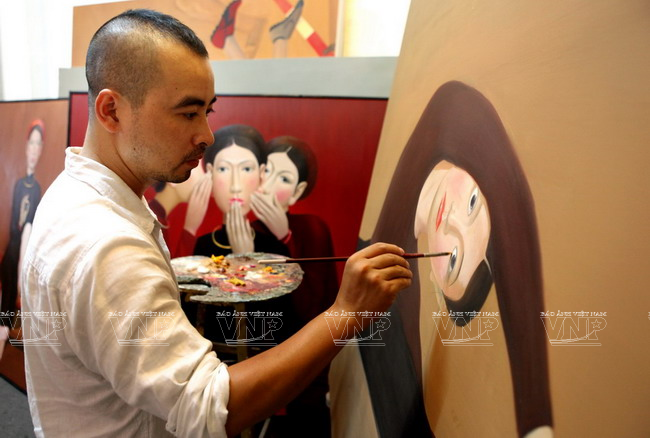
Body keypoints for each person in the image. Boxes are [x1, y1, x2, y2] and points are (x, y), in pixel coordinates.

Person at [20, 9, 412, 438]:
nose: (207, 135)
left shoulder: (75, 191)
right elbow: (209, 408)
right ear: (112, 111)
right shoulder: (108, 245)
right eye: (188, 113)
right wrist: (347, 313)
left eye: (207, 111)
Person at [335, 81, 552, 437]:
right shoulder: (451, 119)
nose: (452, 222)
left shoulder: (387, 299)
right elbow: (458, 107)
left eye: (453, 259)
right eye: (472, 205)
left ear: (436, 282)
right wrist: (536, 420)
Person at [251, 135, 339, 436]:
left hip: (308, 372)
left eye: (284, 178)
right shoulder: (243, 234)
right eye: (267, 171)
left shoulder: (312, 229)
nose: (269, 184)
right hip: (254, 369)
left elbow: (314, 307)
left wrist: (286, 239)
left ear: (297, 191)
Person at [1, 119, 44, 319]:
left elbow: (28, 227)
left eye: (38, 144)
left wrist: (21, 271)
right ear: (26, 147)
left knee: (8, 311)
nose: (34, 149)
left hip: (21, 254)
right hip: (11, 254)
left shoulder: (36, 189)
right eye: (32, 143)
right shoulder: (18, 183)